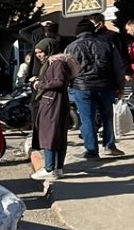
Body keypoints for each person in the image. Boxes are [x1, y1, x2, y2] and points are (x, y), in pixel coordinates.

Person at [65, 16, 127, 159]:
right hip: (107, 85)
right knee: (107, 116)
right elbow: (118, 67)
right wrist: (120, 86)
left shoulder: (72, 47)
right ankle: (109, 146)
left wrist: (70, 84)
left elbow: (67, 69)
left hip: (83, 87)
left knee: (87, 119)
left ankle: (91, 151)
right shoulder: (107, 43)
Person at [29, 49, 79, 181]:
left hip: (52, 103)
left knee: (49, 135)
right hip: (55, 102)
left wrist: (39, 84)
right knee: (56, 135)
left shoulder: (58, 63)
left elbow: (59, 82)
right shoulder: (58, 63)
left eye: (41, 51)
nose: (38, 55)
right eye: (36, 53)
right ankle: (58, 168)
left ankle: (50, 169)